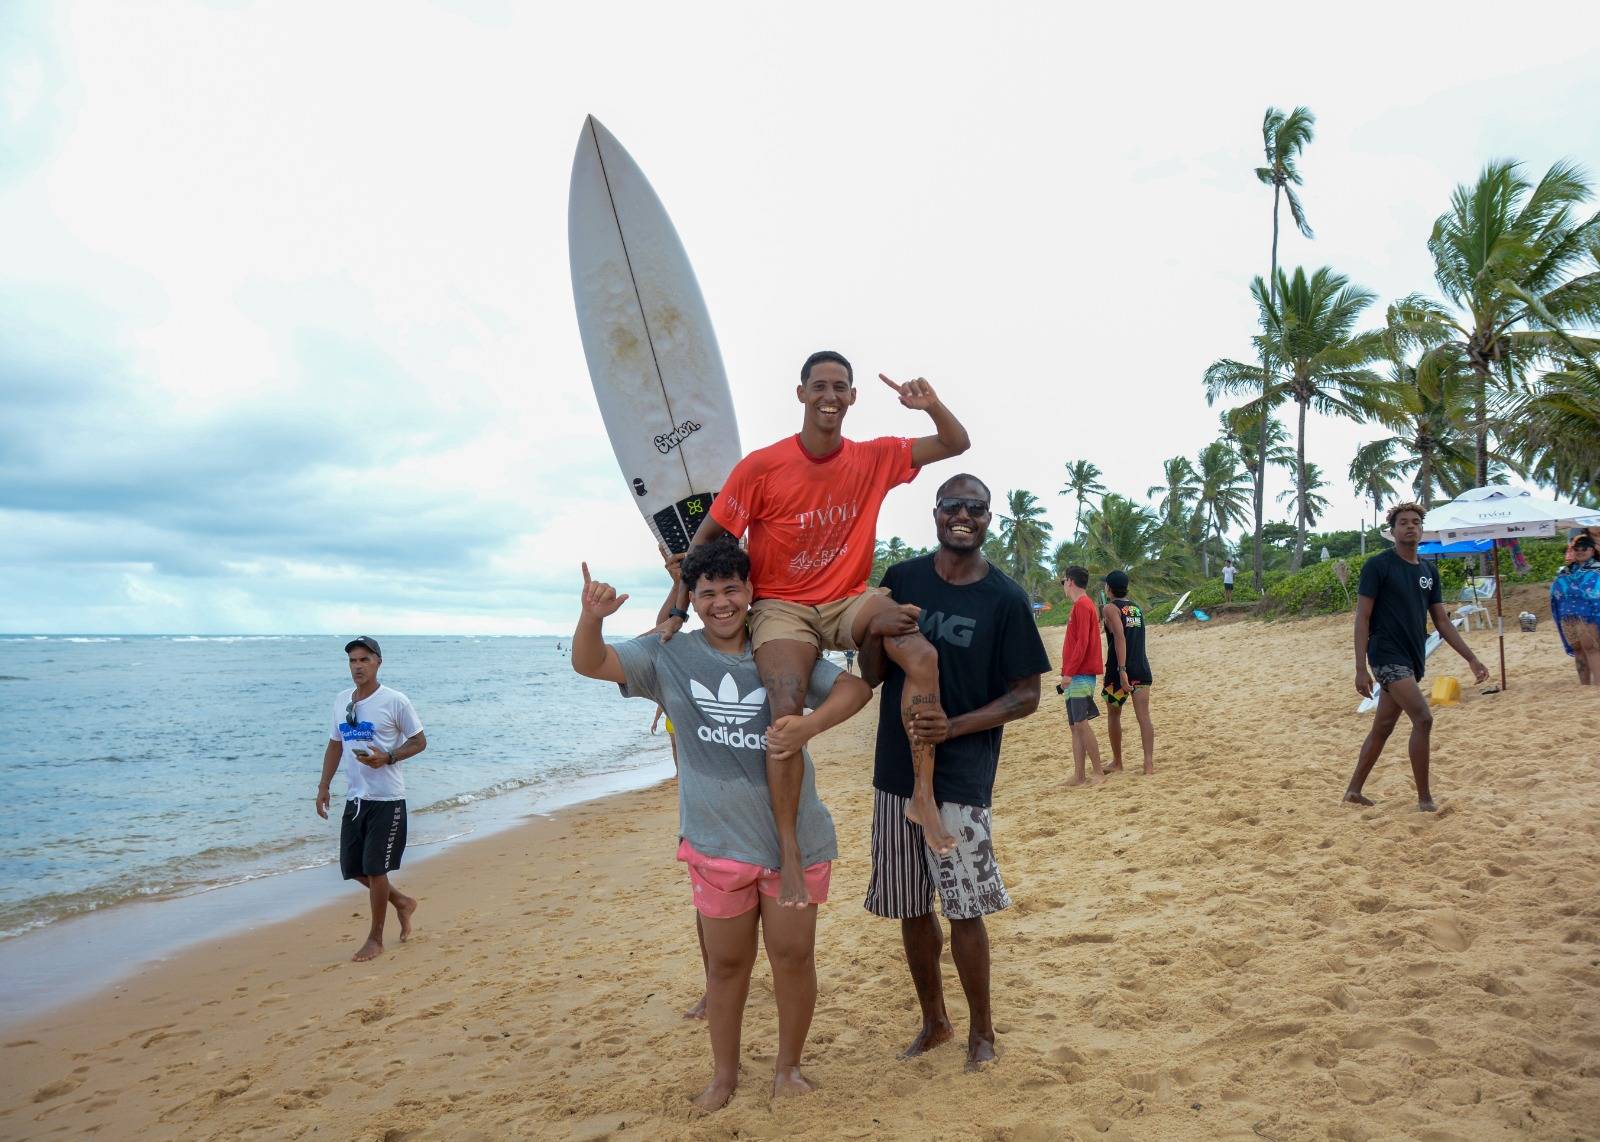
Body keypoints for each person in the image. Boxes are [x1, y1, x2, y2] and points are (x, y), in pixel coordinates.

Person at [657, 350, 972, 904]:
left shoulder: (874, 457)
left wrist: (931, 405)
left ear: (853, 398)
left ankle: (922, 796)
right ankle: (789, 850)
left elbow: (956, 444)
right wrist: (679, 604)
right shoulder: (761, 466)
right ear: (800, 393)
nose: (830, 395)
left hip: (849, 598)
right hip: (782, 606)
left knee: (921, 656)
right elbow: (705, 541)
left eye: (841, 387)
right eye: (820, 386)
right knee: (783, 711)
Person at [572, 536, 872, 1111]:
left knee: (793, 959)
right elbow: (591, 662)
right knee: (728, 966)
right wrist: (590, 619)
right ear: (694, 597)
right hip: (716, 846)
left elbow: (855, 688)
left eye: (732, 589)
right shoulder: (669, 654)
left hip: (794, 842)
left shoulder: (782, 650)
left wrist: (810, 727)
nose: (721, 604)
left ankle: (788, 1069)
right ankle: (724, 1076)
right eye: (707, 592)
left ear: (750, 590)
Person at [857, 474, 1050, 1070]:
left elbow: (1026, 696)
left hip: (961, 778)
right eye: (953, 506)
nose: (963, 515)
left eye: (976, 508)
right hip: (895, 772)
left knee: (965, 908)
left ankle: (981, 1033)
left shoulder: (1005, 598)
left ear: (990, 518)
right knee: (912, 908)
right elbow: (871, 672)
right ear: (936, 514)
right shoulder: (903, 579)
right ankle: (935, 1022)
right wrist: (874, 625)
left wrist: (955, 726)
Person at [1343, 503, 1489, 812]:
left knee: (1383, 727)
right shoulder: (1378, 565)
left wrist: (1471, 658)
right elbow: (1362, 618)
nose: (1410, 527)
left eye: (1415, 523)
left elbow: (1442, 621)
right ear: (1393, 531)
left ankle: (1353, 792)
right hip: (1385, 654)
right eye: (1403, 523)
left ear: (1421, 530)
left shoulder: (1428, 571)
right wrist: (1360, 668)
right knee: (1423, 718)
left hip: (1412, 658)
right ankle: (1424, 799)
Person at [315, 637, 428, 962]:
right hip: (356, 799)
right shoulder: (341, 701)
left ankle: (375, 938)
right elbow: (335, 744)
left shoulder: (394, 701)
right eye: (352, 661)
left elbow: (419, 741)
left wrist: (389, 756)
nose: (357, 666)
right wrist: (324, 785)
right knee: (353, 868)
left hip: (387, 799)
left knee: (376, 869)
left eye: (364, 659)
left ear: (378, 662)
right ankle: (402, 902)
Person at [1100, 569, 1155, 775]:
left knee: (1114, 714)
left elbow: (1120, 638)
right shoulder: (1136, 608)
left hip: (1118, 671)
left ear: (1109, 588)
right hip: (1141, 666)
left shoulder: (1110, 608)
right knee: (1144, 717)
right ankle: (1148, 764)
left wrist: (1122, 670)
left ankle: (1117, 761)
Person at [1057, 566, 1106, 786]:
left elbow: (1082, 644)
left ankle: (1098, 772)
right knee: (1075, 725)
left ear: (1070, 581)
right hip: (1075, 674)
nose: (1063, 586)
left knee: (1082, 723)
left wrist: (1069, 673)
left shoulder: (1083, 605)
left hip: (1081, 674)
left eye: (1063, 582)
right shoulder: (1080, 606)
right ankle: (1079, 775)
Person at [1551, 530, 1600, 686]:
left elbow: (1594, 591)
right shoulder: (1566, 571)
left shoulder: (1597, 569)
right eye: (1576, 548)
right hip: (1567, 615)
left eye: (1584, 548)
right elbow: (1556, 591)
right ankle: (1584, 685)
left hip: (1590, 614)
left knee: (1591, 648)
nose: (1580, 551)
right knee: (1578, 649)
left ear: (1592, 550)